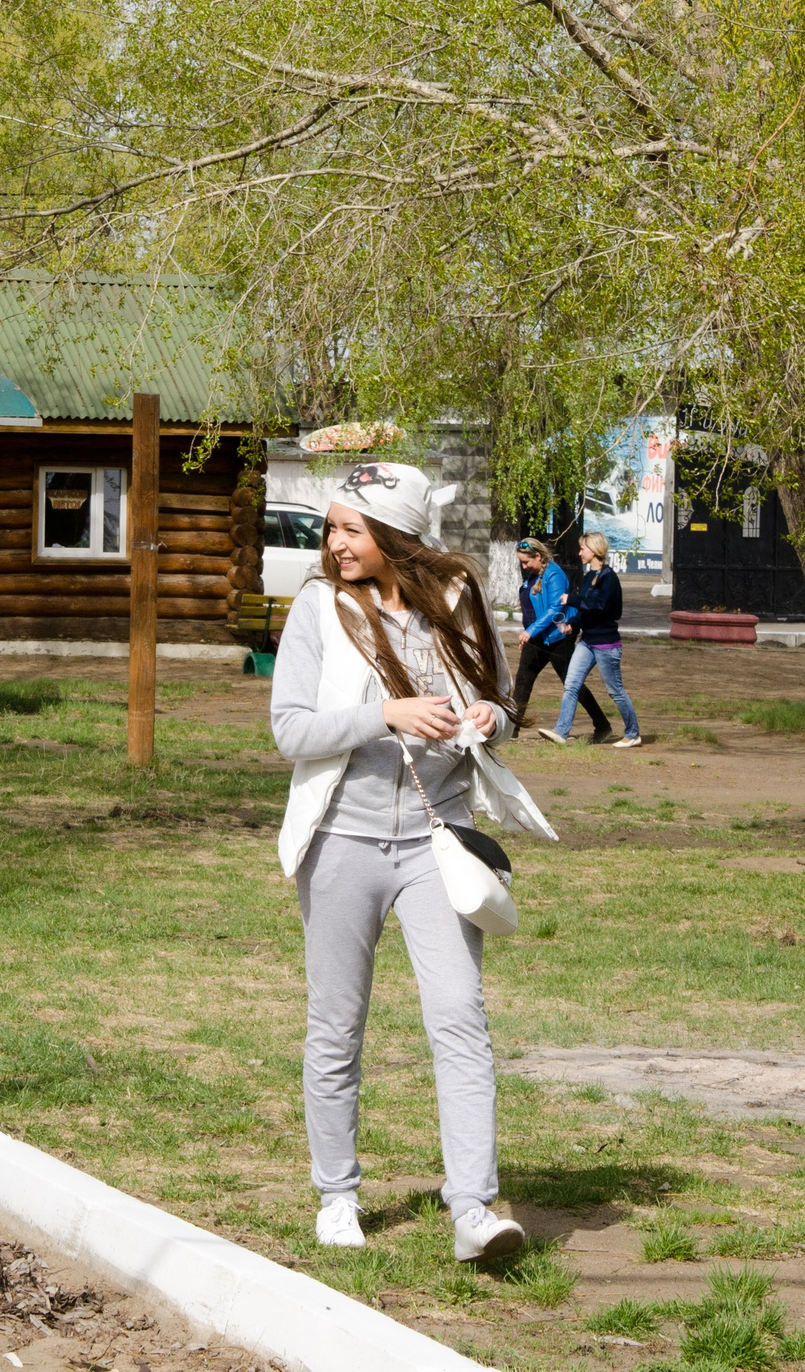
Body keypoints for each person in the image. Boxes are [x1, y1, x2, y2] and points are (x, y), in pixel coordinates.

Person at [269, 461, 547, 1264]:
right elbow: (290, 730)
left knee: (460, 1018)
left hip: (439, 841)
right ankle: (337, 1194)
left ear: (395, 535)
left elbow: (503, 708)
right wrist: (382, 714)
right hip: (342, 842)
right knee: (337, 1023)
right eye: (331, 527)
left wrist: (490, 717)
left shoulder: (456, 598)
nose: (334, 543)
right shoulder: (319, 609)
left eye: (351, 528)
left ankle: (473, 1210)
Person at [543, 532, 642, 748]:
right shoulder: (589, 577)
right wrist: (573, 626)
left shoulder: (609, 578)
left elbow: (598, 606)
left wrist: (572, 600)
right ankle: (561, 732)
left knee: (615, 691)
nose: (579, 553)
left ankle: (633, 733)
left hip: (606, 645)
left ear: (595, 550)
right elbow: (586, 611)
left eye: (582, 549)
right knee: (571, 684)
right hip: (587, 642)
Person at [511, 538, 610, 739]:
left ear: (538, 556)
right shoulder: (532, 575)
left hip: (558, 638)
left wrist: (530, 630)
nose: (524, 566)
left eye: (526, 562)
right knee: (522, 681)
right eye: (521, 562)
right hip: (538, 638)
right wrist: (531, 632)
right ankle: (511, 730)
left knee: (572, 684)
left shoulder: (554, 574)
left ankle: (602, 726)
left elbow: (554, 608)